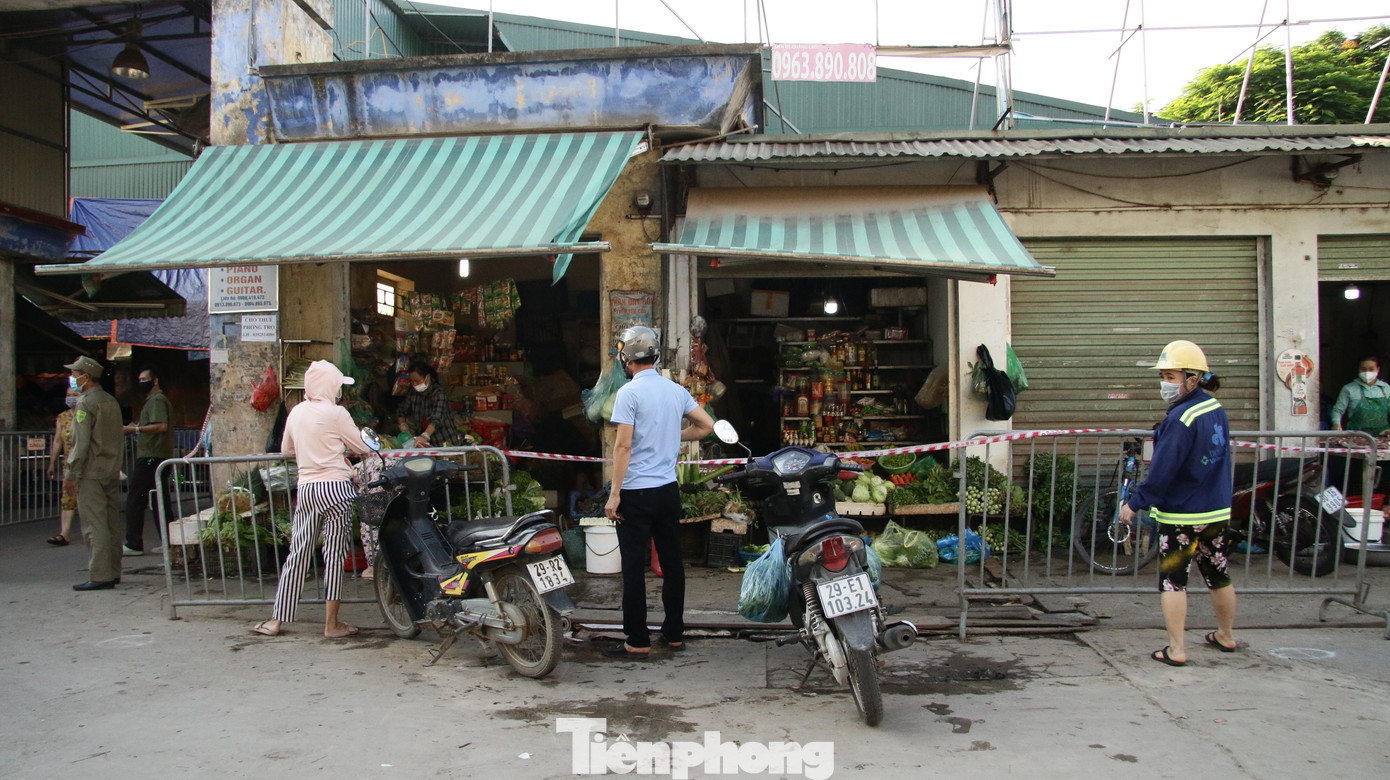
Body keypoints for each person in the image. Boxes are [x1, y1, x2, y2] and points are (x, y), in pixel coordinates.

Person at [1120, 340, 1237, 666]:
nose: (1165, 383)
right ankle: (1226, 636)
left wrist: (1135, 502)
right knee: (1219, 575)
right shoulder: (1215, 410)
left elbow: (1162, 472)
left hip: (1182, 514)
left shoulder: (1181, 419)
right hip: (1216, 511)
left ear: (1193, 378)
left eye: (1171, 376)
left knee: (1173, 582)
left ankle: (1176, 649)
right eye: (1164, 376)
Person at [602, 326, 714, 658]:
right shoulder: (675, 390)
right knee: (672, 564)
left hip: (635, 494)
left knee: (634, 568)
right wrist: (672, 436)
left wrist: (614, 494)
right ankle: (674, 634)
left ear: (627, 358)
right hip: (667, 491)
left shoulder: (629, 393)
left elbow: (623, 446)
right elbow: (706, 426)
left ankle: (637, 640)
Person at [254, 361, 373, 638]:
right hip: (336, 489)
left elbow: (285, 450)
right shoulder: (337, 413)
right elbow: (362, 447)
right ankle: (331, 625)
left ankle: (275, 621)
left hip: (307, 489)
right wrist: (340, 448)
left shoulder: (296, 413)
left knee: (298, 553)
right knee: (333, 556)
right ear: (330, 386)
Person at [64, 356, 124, 591]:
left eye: (76, 373)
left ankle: (100, 575)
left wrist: (71, 472)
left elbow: (81, 443)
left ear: (86, 378)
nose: (73, 378)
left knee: (94, 525)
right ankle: (114, 570)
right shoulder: (110, 401)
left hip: (90, 471)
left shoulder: (85, 403)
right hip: (110, 469)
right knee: (111, 523)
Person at [122, 365, 174, 555]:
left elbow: (161, 426)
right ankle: (169, 541)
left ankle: (133, 542)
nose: (141, 383)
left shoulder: (157, 401)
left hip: (152, 455)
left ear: (155, 380)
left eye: (145, 380)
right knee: (159, 498)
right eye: (140, 380)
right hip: (156, 454)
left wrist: (135, 430)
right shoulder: (154, 400)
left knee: (136, 498)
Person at [44, 386, 81, 546]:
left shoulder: (87, 415)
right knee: (67, 497)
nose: (71, 397)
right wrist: (51, 462)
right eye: (69, 395)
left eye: (75, 395)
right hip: (68, 463)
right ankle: (64, 533)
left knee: (89, 497)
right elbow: (58, 440)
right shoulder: (62, 417)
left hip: (86, 462)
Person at [396, 361, 461, 448]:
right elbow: (401, 410)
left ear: (427, 377)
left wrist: (425, 436)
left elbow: (436, 419)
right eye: (412, 381)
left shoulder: (438, 393)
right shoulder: (413, 393)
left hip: (444, 440)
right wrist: (403, 426)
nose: (414, 384)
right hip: (424, 444)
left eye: (417, 381)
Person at [1330, 355, 1390, 435]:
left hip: (1383, 434)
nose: (1367, 372)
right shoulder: (1349, 388)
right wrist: (1336, 424)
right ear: (1359, 370)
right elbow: (1338, 410)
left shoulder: (1386, 388)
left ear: (1378, 370)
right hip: (1356, 436)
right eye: (1363, 369)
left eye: (1371, 369)